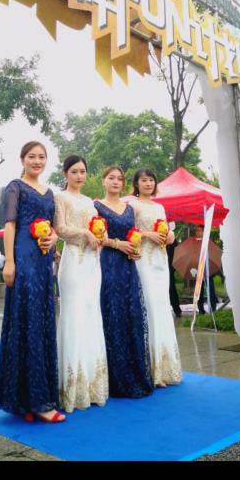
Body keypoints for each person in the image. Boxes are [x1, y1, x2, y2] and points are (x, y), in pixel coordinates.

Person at [0, 141, 65, 423]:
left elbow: (55, 228)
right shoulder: (15, 187)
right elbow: (10, 225)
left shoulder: (50, 192)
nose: (37, 161)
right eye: (32, 156)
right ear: (22, 159)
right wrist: (9, 261)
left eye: (42, 157)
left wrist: (54, 238)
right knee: (26, 321)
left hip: (44, 261)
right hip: (23, 259)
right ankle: (33, 401)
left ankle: (32, 399)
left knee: (41, 321)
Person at [54, 155, 108, 413]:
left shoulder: (90, 202)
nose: (79, 176)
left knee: (91, 316)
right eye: (74, 171)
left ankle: (92, 385)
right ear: (65, 173)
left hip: (92, 262)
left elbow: (98, 229)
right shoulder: (60, 197)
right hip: (73, 261)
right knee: (73, 317)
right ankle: (71, 388)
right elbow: (60, 229)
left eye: (83, 171)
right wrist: (86, 233)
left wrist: (101, 235)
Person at [94, 166, 153, 399]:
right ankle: (115, 378)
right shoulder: (96, 206)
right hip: (108, 264)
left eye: (119, 178)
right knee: (112, 314)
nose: (116, 182)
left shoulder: (130, 208)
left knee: (131, 314)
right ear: (103, 181)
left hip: (129, 265)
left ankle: (134, 373)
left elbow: (134, 234)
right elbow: (97, 237)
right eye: (111, 178)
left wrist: (135, 249)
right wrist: (117, 244)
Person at [129, 169, 182, 388]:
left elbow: (166, 228)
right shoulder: (132, 205)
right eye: (144, 180)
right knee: (149, 308)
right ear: (136, 183)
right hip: (143, 260)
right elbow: (127, 232)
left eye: (151, 179)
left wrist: (170, 235)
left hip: (161, 260)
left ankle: (166, 367)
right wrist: (146, 234)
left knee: (162, 308)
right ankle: (150, 369)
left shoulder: (159, 207)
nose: (148, 183)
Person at [193, 224, 218, 314]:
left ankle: (213, 309)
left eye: (199, 230)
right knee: (199, 290)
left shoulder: (208, 242)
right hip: (198, 269)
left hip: (208, 270)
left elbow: (214, 255)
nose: (197, 232)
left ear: (204, 232)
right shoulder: (194, 243)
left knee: (210, 289)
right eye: (196, 230)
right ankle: (201, 309)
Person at [167, 238, 182, 317]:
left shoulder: (171, 237)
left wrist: (173, 266)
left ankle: (177, 310)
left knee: (171, 288)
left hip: (169, 266)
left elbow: (177, 251)